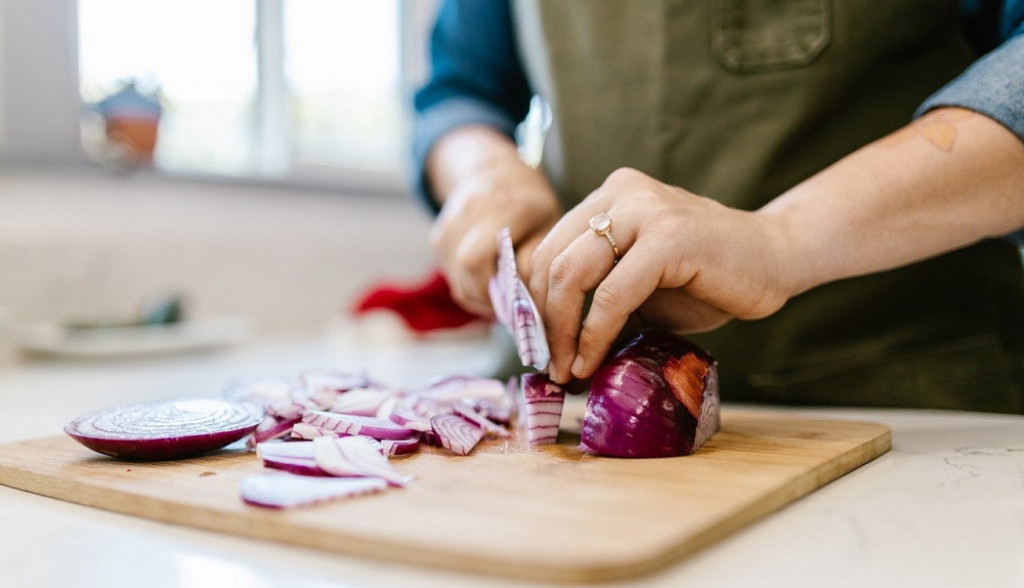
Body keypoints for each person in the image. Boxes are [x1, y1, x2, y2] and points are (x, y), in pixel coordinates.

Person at [412, 0, 1024, 413]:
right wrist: (483, 172)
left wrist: (781, 240)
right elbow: (461, 86)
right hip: (578, 404)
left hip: (905, 400)